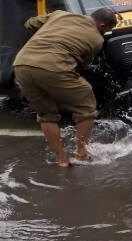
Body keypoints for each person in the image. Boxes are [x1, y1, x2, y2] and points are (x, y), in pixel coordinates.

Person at [13, 9, 119, 168]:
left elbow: (30, 23)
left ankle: (62, 159)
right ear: (102, 25)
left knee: (46, 115)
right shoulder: (96, 39)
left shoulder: (60, 14)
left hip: (22, 64)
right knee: (86, 106)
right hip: (53, 67)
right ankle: (81, 154)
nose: (105, 32)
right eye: (108, 29)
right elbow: (81, 65)